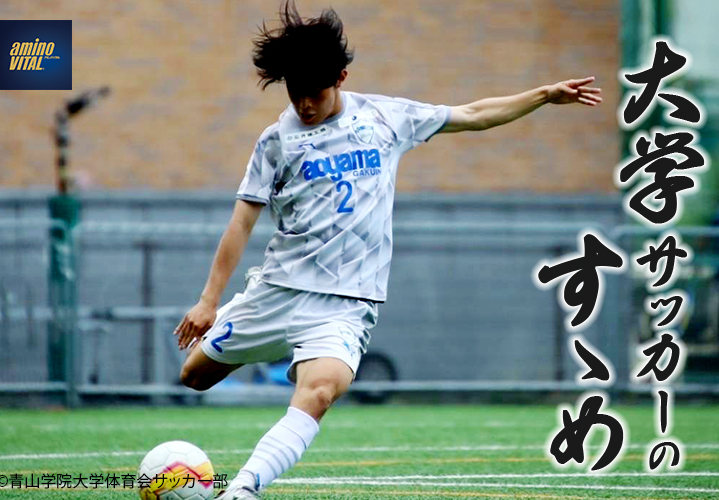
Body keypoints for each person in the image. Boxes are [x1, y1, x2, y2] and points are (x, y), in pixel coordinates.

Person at [173, 2, 603, 498]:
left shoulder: (385, 118)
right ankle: (264, 336)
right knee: (194, 376)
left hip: (345, 303)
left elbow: (473, 114)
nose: (305, 104)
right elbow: (241, 222)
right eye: (295, 92)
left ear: (341, 78)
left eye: (315, 92)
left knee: (319, 391)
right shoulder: (275, 142)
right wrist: (208, 301)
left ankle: (244, 488)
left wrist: (544, 95)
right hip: (277, 291)